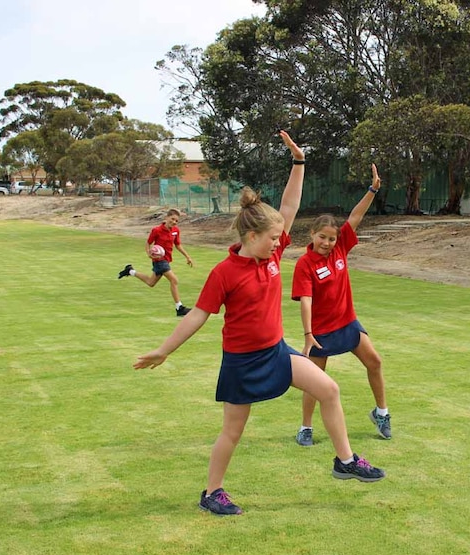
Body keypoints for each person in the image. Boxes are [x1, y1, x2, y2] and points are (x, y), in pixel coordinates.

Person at [133, 131, 385, 516]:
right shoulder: (225, 273)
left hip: (276, 352)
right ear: (251, 236)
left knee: (329, 390)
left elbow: (289, 203)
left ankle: (345, 460)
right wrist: (163, 350)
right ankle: (212, 492)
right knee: (233, 431)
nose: (279, 242)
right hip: (242, 362)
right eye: (271, 238)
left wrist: (299, 162)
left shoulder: (270, 255)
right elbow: (198, 316)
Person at [291, 164, 391, 447]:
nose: (326, 242)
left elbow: (356, 216)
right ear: (312, 234)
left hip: (347, 323)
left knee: (375, 361)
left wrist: (373, 189)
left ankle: (381, 413)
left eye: (331, 238)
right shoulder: (304, 264)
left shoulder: (340, 247)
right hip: (321, 332)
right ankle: (306, 428)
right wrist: (308, 334)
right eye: (322, 237)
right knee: (315, 381)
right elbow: (306, 300)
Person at [117, 208, 195, 317]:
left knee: (151, 282)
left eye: (176, 221)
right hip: (159, 261)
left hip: (166, 260)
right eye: (172, 219)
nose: (174, 222)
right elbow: (148, 243)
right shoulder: (157, 230)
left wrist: (188, 256)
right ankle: (179, 308)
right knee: (174, 280)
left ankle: (130, 271)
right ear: (166, 218)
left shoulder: (176, 231)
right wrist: (149, 253)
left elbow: (177, 245)